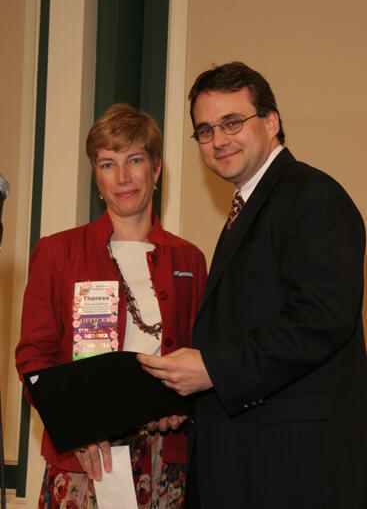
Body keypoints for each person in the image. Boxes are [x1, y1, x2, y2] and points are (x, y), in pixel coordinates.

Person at [138, 62, 367, 508]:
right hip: (248, 465)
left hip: (295, 471)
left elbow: (320, 319)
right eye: (204, 130)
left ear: (272, 121)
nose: (218, 140)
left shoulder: (312, 197)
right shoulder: (249, 207)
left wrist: (213, 370)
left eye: (232, 122)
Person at [16, 103, 207, 508]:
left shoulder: (189, 259)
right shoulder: (58, 252)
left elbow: (203, 355)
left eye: (134, 160)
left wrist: (184, 407)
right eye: (107, 164)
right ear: (96, 178)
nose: (123, 177)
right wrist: (78, 427)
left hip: (164, 458)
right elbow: (33, 357)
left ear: (155, 170)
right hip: (86, 456)